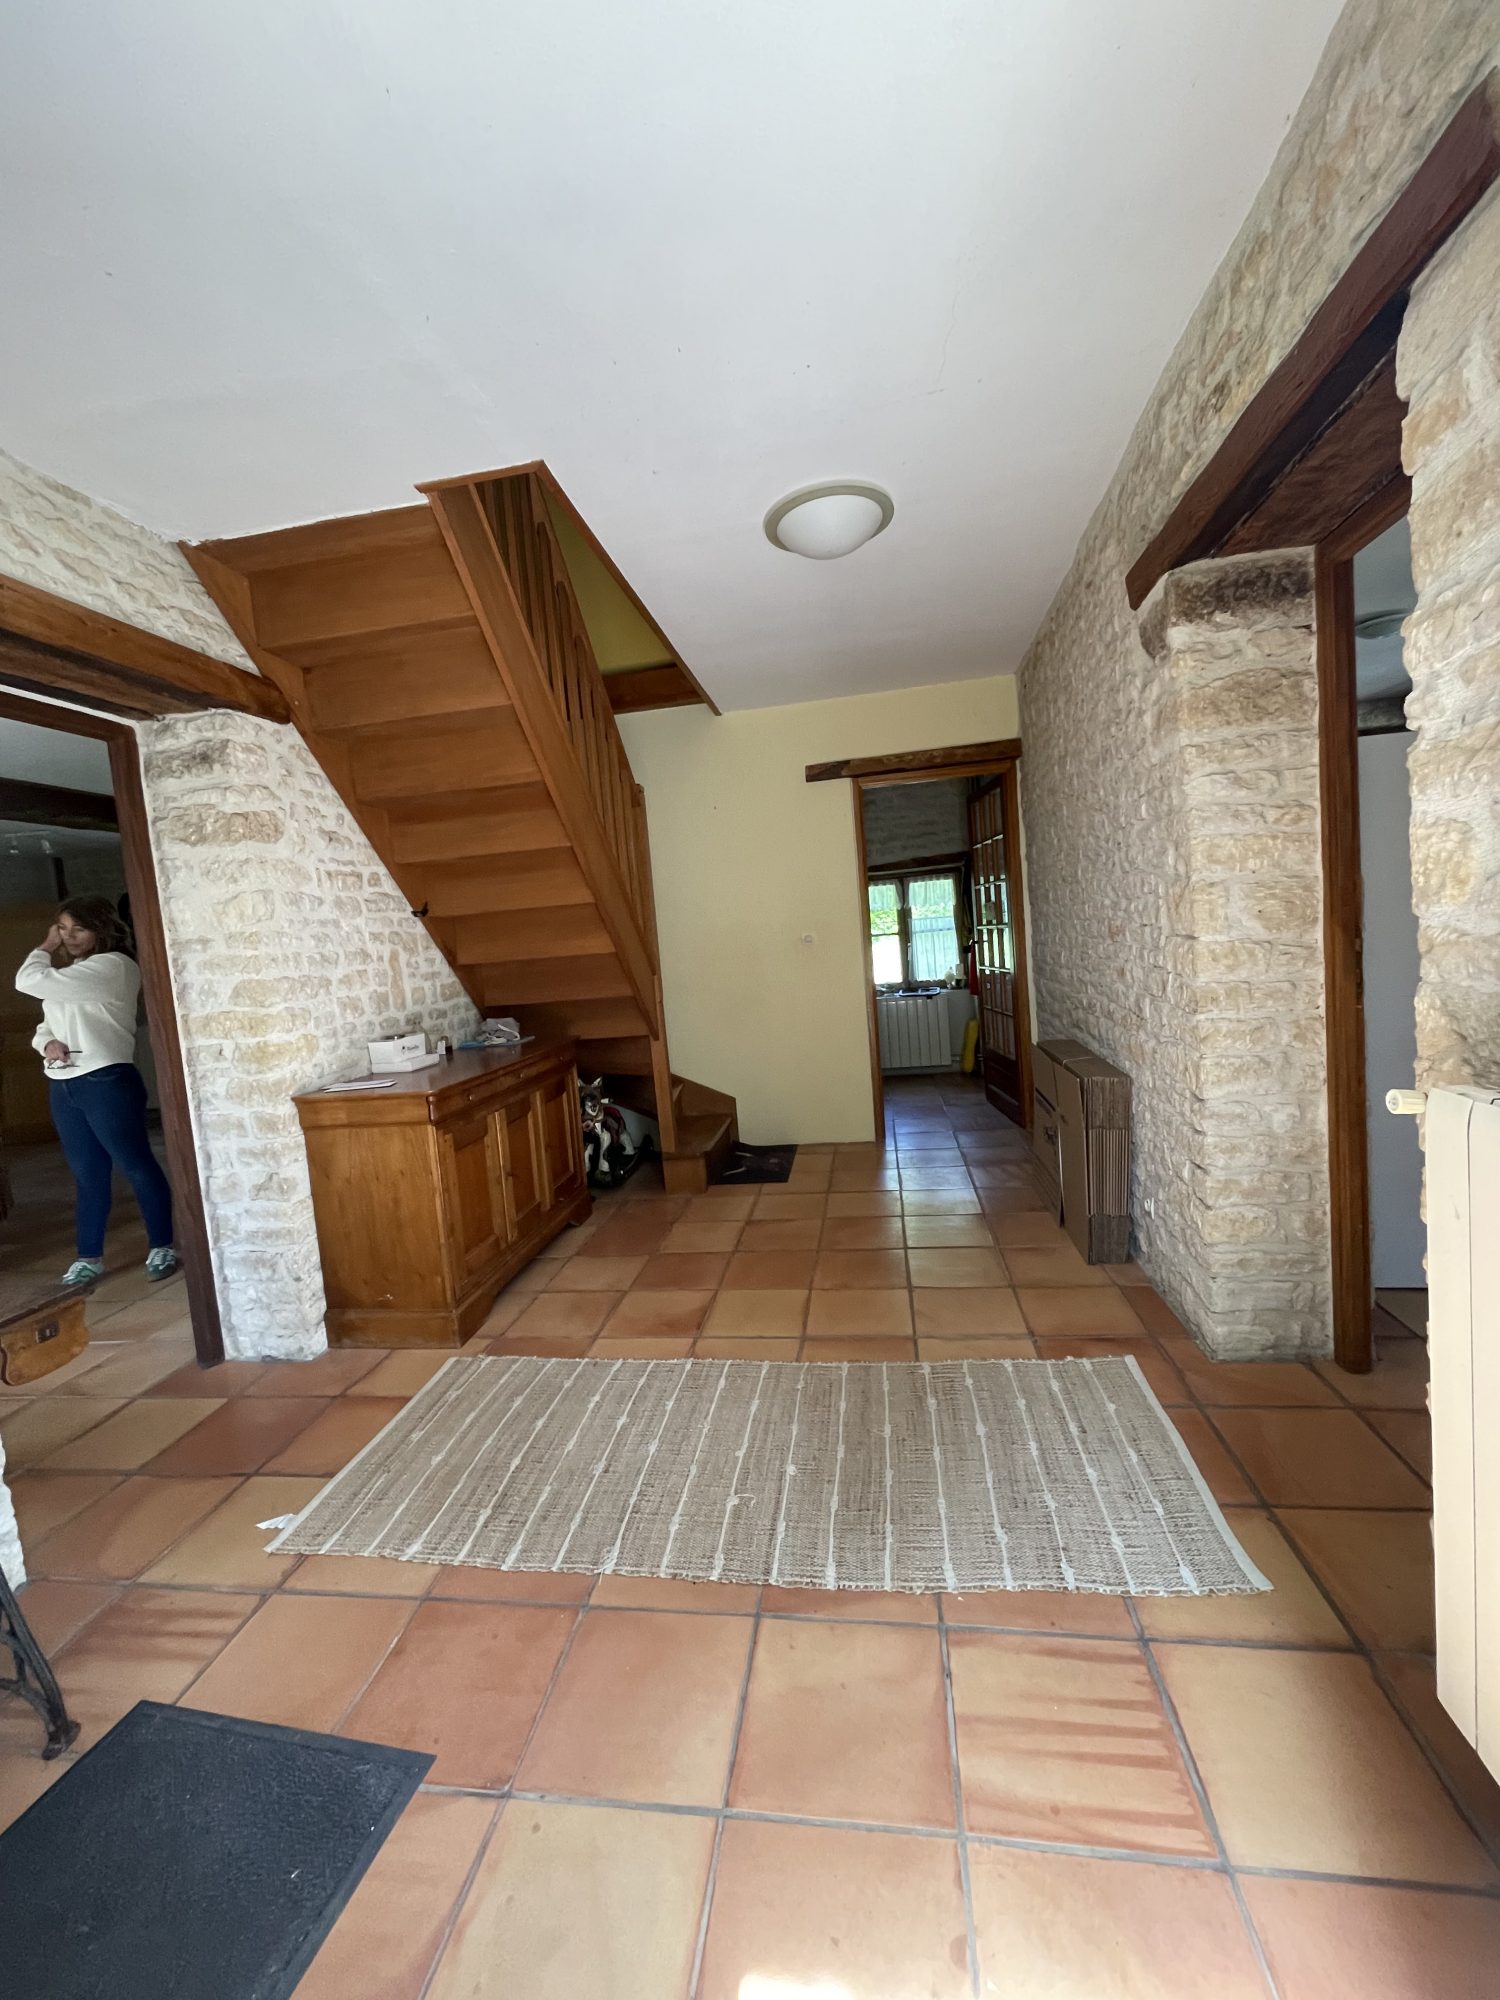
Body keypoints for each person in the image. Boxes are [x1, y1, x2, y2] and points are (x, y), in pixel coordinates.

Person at [14, 896, 179, 1287]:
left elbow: (27, 981)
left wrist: (46, 945)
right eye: (62, 928)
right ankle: (88, 1257)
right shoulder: (72, 975)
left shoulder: (114, 966)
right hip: (64, 1082)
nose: (69, 937)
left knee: (136, 1164)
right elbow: (47, 1023)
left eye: (79, 929)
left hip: (105, 1081)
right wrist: (46, 1043)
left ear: (101, 929)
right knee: (87, 1175)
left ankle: (163, 1246)